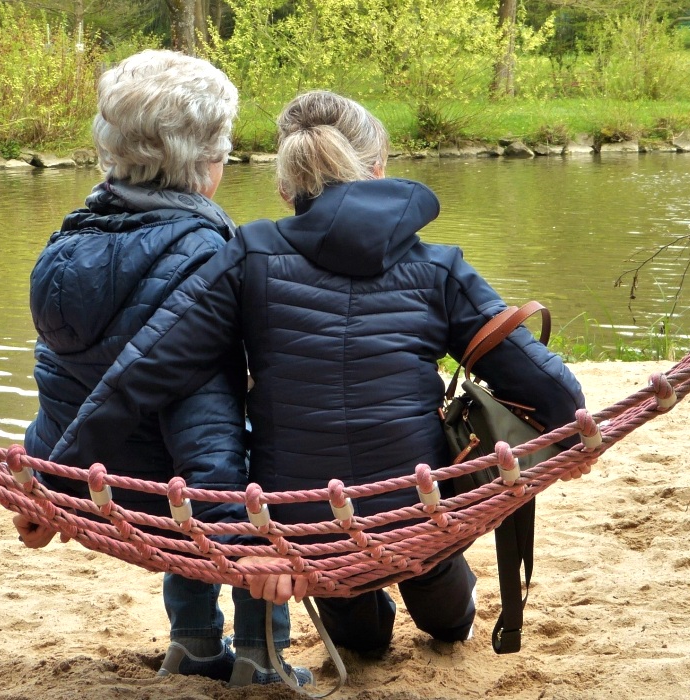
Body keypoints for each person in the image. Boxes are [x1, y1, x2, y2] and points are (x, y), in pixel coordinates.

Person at [48, 90, 586, 656]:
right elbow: (544, 382)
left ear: (286, 187)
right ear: (378, 169)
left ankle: (369, 614)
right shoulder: (439, 266)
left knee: (361, 640)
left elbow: (146, 372)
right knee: (443, 605)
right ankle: (441, 599)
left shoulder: (248, 254)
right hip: (418, 504)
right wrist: (575, 434)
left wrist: (57, 480)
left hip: (305, 524)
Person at [13, 49, 306, 687]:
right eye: (223, 150)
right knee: (267, 459)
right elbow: (207, 423)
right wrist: (240, 544)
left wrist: (45, 479)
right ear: (204, 163)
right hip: (173, 487)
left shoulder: (68, 241)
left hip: (96, 478)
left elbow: (62, 379)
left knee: (183, 469)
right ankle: (262, 656)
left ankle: (194, 642)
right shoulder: (207, 256)